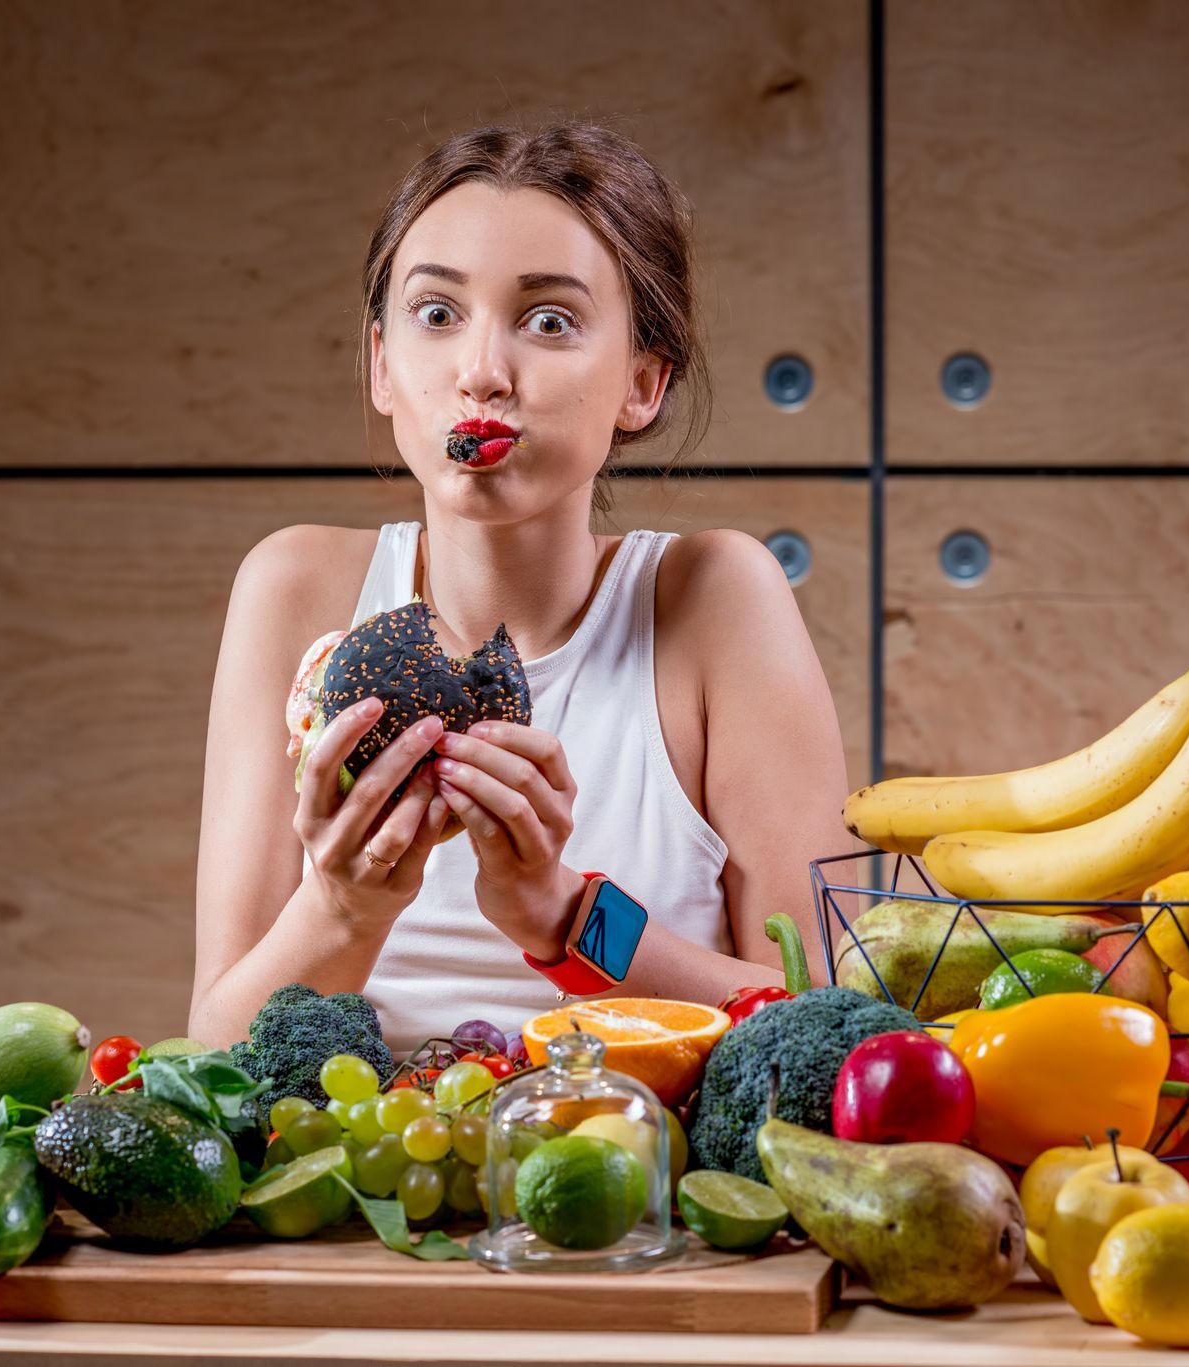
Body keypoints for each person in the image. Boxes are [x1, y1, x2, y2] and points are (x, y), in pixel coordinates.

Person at [188, 121, 849, 1054]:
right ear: (382, 364)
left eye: (549, 321)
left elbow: (825, 1019)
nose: (483, 373)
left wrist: (565, 917)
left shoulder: (714, 599)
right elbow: (216, 1039)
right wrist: (342, 907)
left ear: (643, 384)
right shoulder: (297, 589)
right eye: (436, 313)